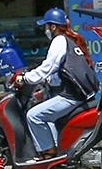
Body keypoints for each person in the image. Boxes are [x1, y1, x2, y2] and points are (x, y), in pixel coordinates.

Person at [19, 9, 96, 158]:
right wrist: (46, 79)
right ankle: (57, 150)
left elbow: (50, 65)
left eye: (46, 26)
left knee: (33, 115)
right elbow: (61, 71)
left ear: (53, 27)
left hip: (71, 96)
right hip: (78, 94)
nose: (45, 30)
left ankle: (49, 152)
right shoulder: (69, 40)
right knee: (48, 117)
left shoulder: (59, 40)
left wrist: (26, 78)